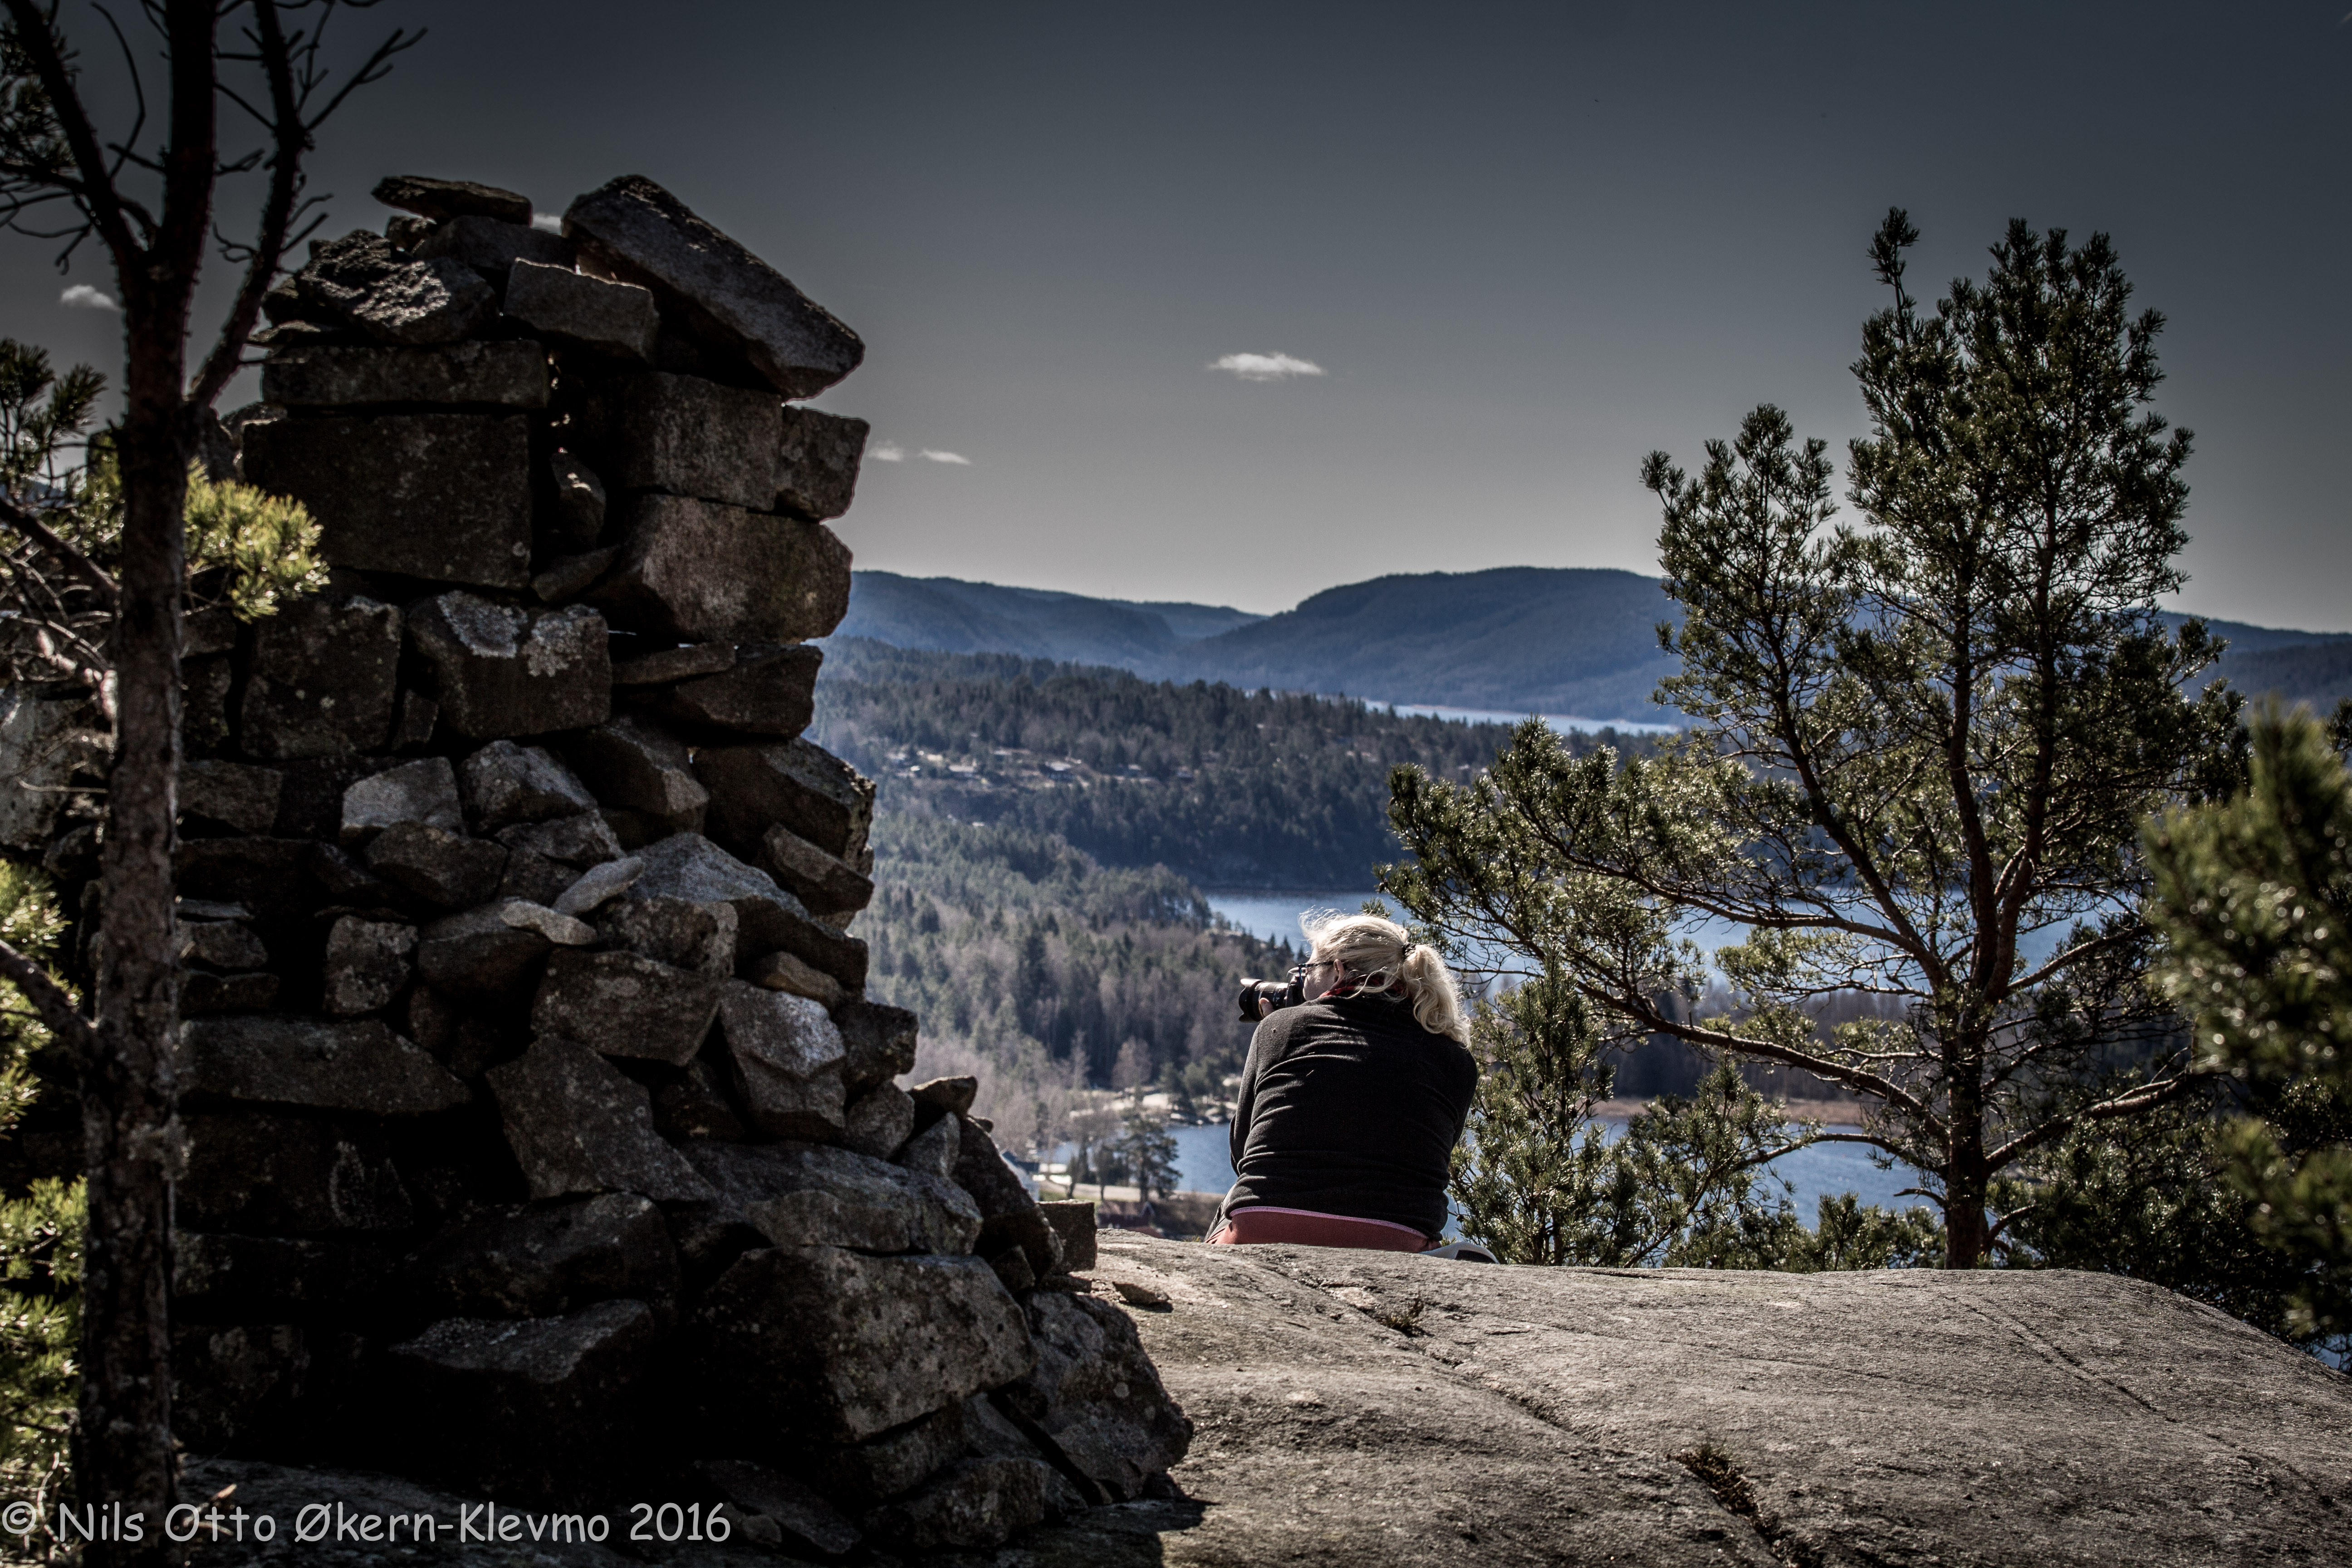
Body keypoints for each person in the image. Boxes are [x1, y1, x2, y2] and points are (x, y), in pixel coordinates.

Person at [1209, 911, 1479, 1253]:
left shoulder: (1281, 1029)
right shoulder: (1455, 1059)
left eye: (1308, 971)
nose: (1301, 983)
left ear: (1337, 970)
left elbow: (1242, 1154)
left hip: (1265, 1227)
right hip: (1395, 1241)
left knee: (1233, 1201)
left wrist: (1279, 1028)